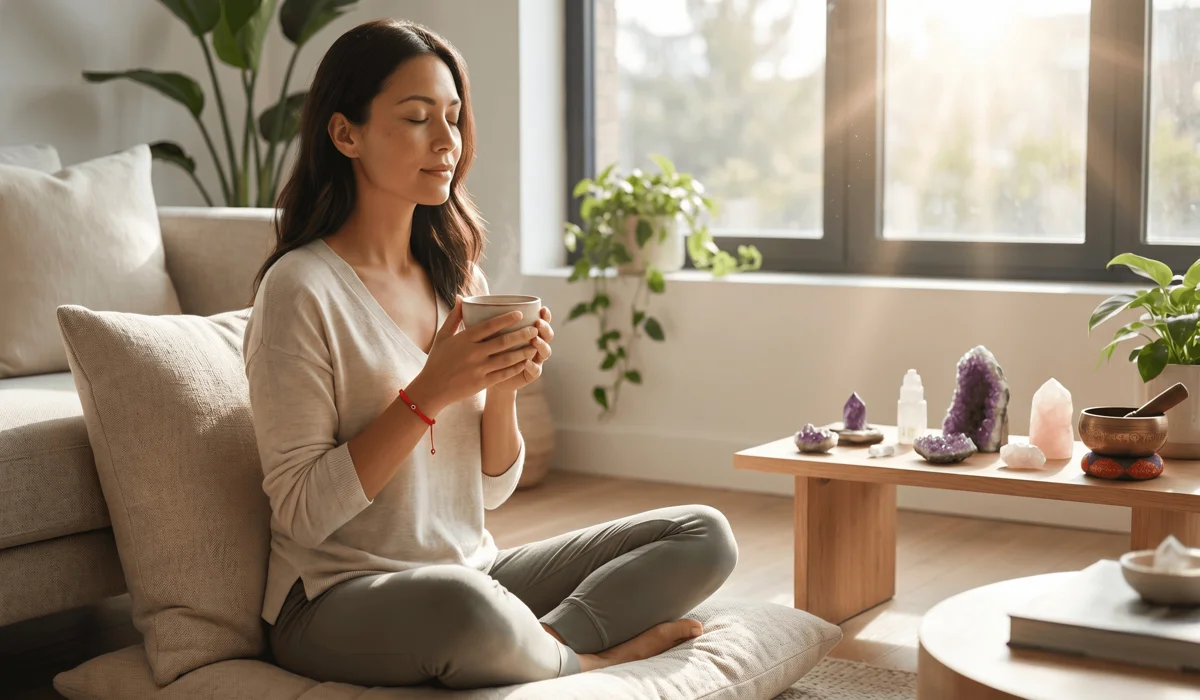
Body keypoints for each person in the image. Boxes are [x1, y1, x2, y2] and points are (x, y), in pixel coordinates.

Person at [242, 18, 738, 690]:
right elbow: (301, 509)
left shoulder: (457, 277)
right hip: (336, 599)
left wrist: (503, 386)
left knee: (702, 535)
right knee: (465, 607)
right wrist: (429, 393)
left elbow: (492, 490)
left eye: (453, 117)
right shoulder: (299, 289)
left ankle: (538, 646)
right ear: (345, 133)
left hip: (473, 572)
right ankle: (588, 660)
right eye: (417, 118)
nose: (448, 141)